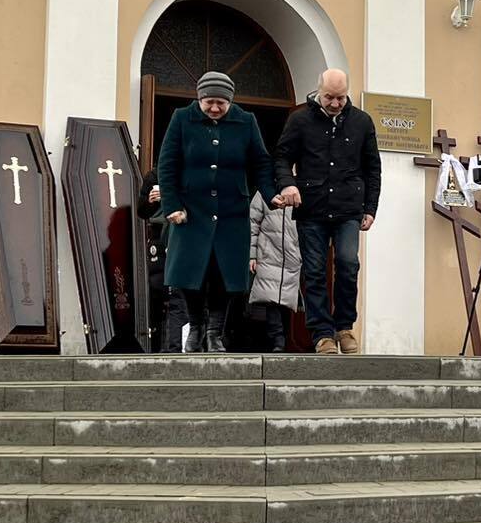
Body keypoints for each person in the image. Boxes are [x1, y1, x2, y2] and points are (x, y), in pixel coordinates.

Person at [156, 71, 276, 353]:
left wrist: (272, 196)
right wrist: (171, 205)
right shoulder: (181, 119)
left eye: (220, 103)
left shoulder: (246, 122)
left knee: (224, 274)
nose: (214, 108)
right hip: (191, 211)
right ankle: (196, 327)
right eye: (208, 102)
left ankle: (214, 333)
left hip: (231, 211)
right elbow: (167, 163)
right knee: (189, 272)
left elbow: (261, 163)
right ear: (199, 98)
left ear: (230, 102)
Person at [273, 69, 382, 355]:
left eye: (341, 97)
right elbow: (282, 158)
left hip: (349, 209)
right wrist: (287, 185)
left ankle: (344, 327)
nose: (335, 103)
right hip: (311, 208)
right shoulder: (299, 120)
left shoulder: (362, 122)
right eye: (329, 97)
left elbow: (373, 169)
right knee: (315, 271)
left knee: (348, 264)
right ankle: (322, 334)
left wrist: (370, 208)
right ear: (318, 91)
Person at [248, 191, 302, 352]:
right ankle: (277, 340)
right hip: (268, 253)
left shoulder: (302, 189)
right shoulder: (265, 192)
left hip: (294, 255)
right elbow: (252, 224)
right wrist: (252, 255)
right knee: (271, 299)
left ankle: (288, 339)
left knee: (289, 300)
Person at [135, 167, 171, 351]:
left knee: (182, 293)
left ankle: (177, 344)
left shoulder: (190, 170)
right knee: (157, 288)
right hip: (158, 238)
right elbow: (141, 210)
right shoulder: (154, 175)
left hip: (182, 233)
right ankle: (157, 344)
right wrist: (150, 201)